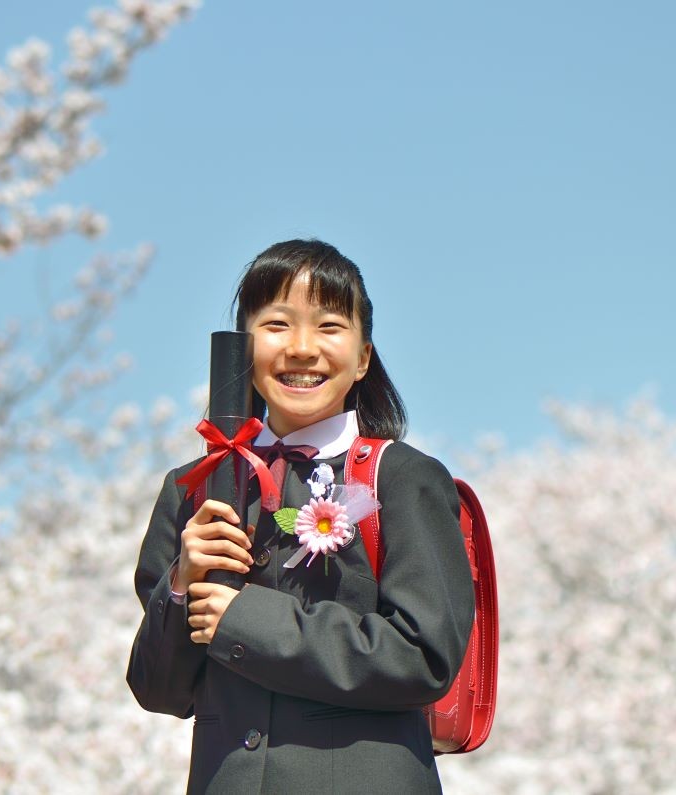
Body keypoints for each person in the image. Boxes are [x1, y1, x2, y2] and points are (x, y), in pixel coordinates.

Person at [127, 239, 476, 793]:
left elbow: (425, 656)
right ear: (243, 348)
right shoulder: (191, 488)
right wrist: (180, 582)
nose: (302, 348)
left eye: (330, 326)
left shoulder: (401, 478)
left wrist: (244, 621)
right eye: (277, 324)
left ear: (363, 357)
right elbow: (157, 690)